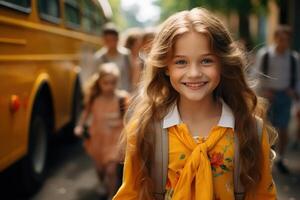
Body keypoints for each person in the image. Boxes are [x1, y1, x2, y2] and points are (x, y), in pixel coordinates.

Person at [113, 8, 277, 200]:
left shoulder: (250, 129)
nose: (194, 73)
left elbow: (263, 195)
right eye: (181, 62)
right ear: (165, 67)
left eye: (206, 61)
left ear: (223, 63)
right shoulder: (145, 129)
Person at [74, 63, 129, 199]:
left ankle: (112, 195)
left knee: (111, 170)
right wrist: (79, 126)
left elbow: (129, 119)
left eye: (113, 83)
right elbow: (85, 113)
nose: (110, 87)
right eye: (106, 83)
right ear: (99, 82)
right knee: (100, 170)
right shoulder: (94, 99)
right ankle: (103, 183)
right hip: (98, 140)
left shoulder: (121, 99)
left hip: (114, 140)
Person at [256, 25, 300, 174]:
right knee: (266, 127)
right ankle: (265, 157)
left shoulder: (293, 58)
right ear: (275, 39)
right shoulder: (266, 55)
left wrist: (293, 91)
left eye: (286, 39)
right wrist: (264, 90)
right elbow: (258, 75)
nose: (283, 42)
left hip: (285, 95)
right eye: (281, 39)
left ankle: (280, 158)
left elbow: (296, 77)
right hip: (268, 95)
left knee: (284, 127)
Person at [94, 23, 133, 92]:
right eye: (107, 40)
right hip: (107, 95)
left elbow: (130, 75)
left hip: (124, 93)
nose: (110, 43)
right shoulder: (99, 57)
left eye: (113, 40)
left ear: (117, 39)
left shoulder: (126, 54)